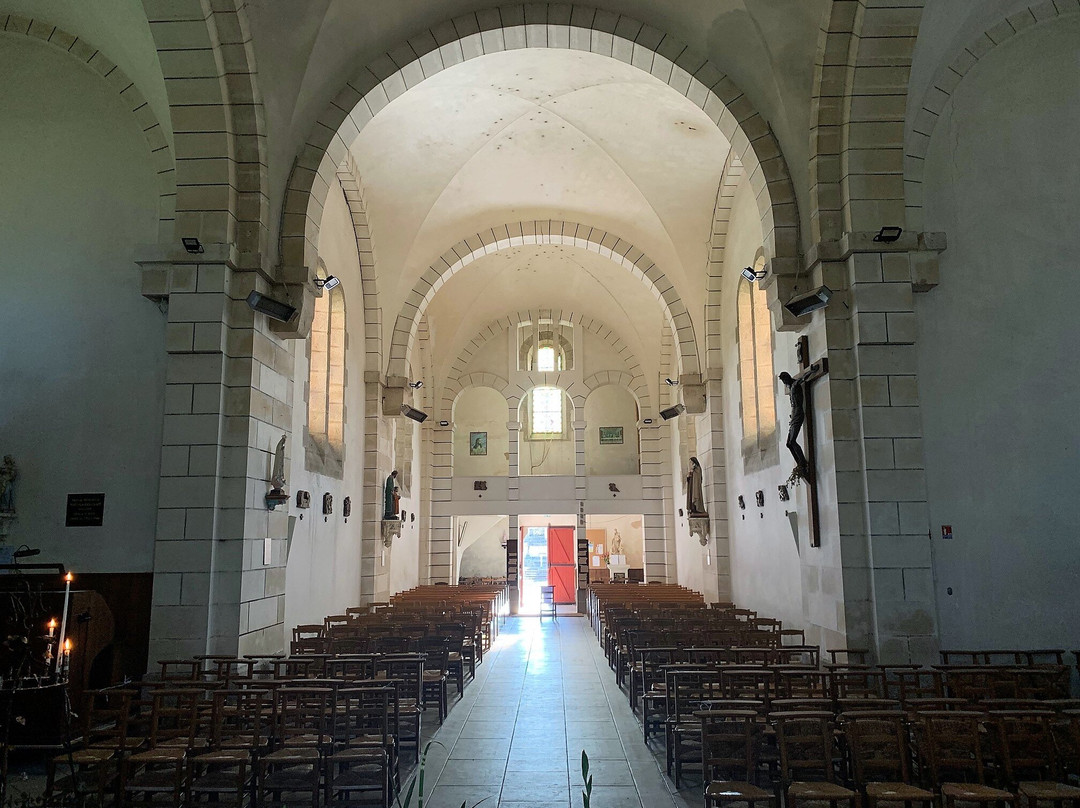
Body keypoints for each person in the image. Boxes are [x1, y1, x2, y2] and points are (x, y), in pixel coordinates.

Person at [778, 371, 812, 482]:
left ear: (787, 378)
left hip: (798, 414)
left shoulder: (795, 384)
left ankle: (802, 463)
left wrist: (812, 370)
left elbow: (803, 377)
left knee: (792, 441)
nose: (784, 383)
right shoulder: (790, 387)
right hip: (794, 416)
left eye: (784, 380)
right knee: (788, 443)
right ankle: (800, 464)